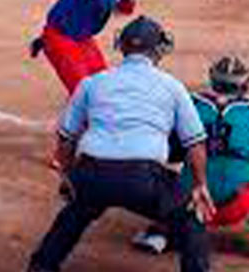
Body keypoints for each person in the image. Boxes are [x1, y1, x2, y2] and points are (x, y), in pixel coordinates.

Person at [27, 16, 216, 272]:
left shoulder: (92, 83)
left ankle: (41, 267)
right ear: (159, 50)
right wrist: (201, 185)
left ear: (122, 46)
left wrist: (69, 175)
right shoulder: (172, 87)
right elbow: (195, 143)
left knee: (75, 212)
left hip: (93, 172)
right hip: (143, 178)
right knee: (191, 217)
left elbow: (66, 137)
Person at [132, 55, 249, 261]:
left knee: (166, 177)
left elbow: (168, 153)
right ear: (245, 84)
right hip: (237, 205)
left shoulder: (190, 106)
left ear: (212, 80)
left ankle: (159, 233)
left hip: (191, 204)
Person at [29, 0, 138, 95]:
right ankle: (47, 42)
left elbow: (125, 10)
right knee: (84, 92)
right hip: (61, 39)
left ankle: (43, 42)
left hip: (83, 39)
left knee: (103, 86)